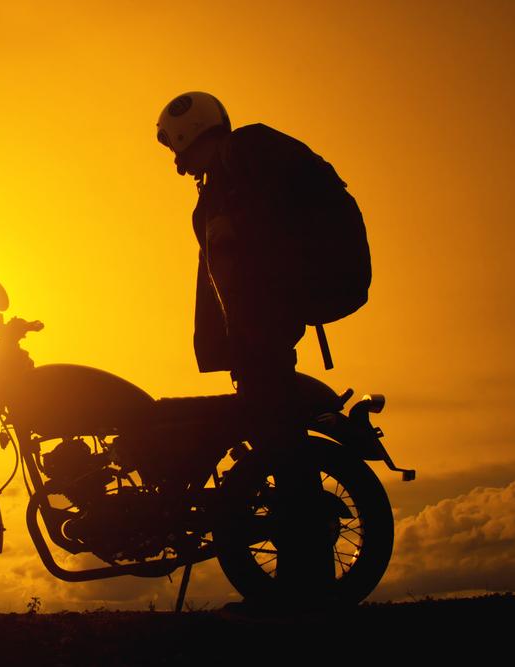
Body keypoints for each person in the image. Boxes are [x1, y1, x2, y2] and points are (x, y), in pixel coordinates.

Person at [156, 91, 341, 608]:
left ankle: (307, 592)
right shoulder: (234, 177)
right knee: (280, 451)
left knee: (282, 449)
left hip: (262, 332)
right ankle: (302, 588)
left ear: (191, 135)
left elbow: (234, 256)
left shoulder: (234, 174)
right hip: (266, 330)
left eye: (177, 146)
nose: (176, 161)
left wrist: (242, 331)